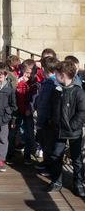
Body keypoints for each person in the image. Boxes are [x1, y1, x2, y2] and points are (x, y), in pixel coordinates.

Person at [47, 60, 85, 197]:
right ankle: (56, 181)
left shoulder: (78, 92)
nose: (54, 76)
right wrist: (52, 121)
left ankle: (78, 183)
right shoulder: (57, 90)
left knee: (77, 159)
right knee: (56, 156)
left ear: (62, 75)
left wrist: (72, 126)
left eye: (56, 74)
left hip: (74, 131)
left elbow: (82, 112)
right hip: (58, 130)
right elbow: (53, 108)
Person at [35, 56, 58, 176]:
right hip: (48, 119)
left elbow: (44, 104)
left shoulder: (50, 83)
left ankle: (49, 168)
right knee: (47, 144)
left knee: (48, 145)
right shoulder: (50, 81)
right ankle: (46, 163)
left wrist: (39, 122)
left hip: (47, 120)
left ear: (44, 69)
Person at [15, 59, 38, 165]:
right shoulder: (19, 81)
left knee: (29, 133)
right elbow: (17, 95)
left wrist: (30, 109)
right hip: (19, 110)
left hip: (28, 112)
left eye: (31, 73)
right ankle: (16, 150)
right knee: (18, 131)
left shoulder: (34, 83)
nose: (28, 75)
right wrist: (20, 83)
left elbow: (33, 99)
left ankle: (27, 155)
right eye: (27, 72)